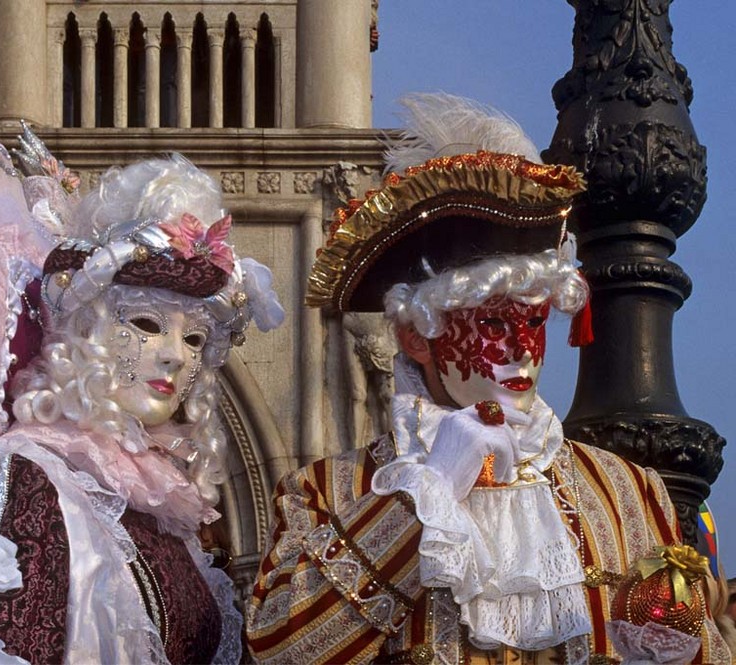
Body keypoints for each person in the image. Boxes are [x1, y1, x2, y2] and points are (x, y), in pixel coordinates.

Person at [245, 95, 731, 664]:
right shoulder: (326, 495)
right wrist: (423, 496)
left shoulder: (630, 491)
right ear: (416, 338)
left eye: (534, 320)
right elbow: (280, 649)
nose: (524, 349)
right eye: (495, 322)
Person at [0, 155, 284, 664]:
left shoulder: (160, 506)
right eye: (146, 324)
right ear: (85, 333)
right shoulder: (24, 477)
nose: (175, 354)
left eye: (194, 338)